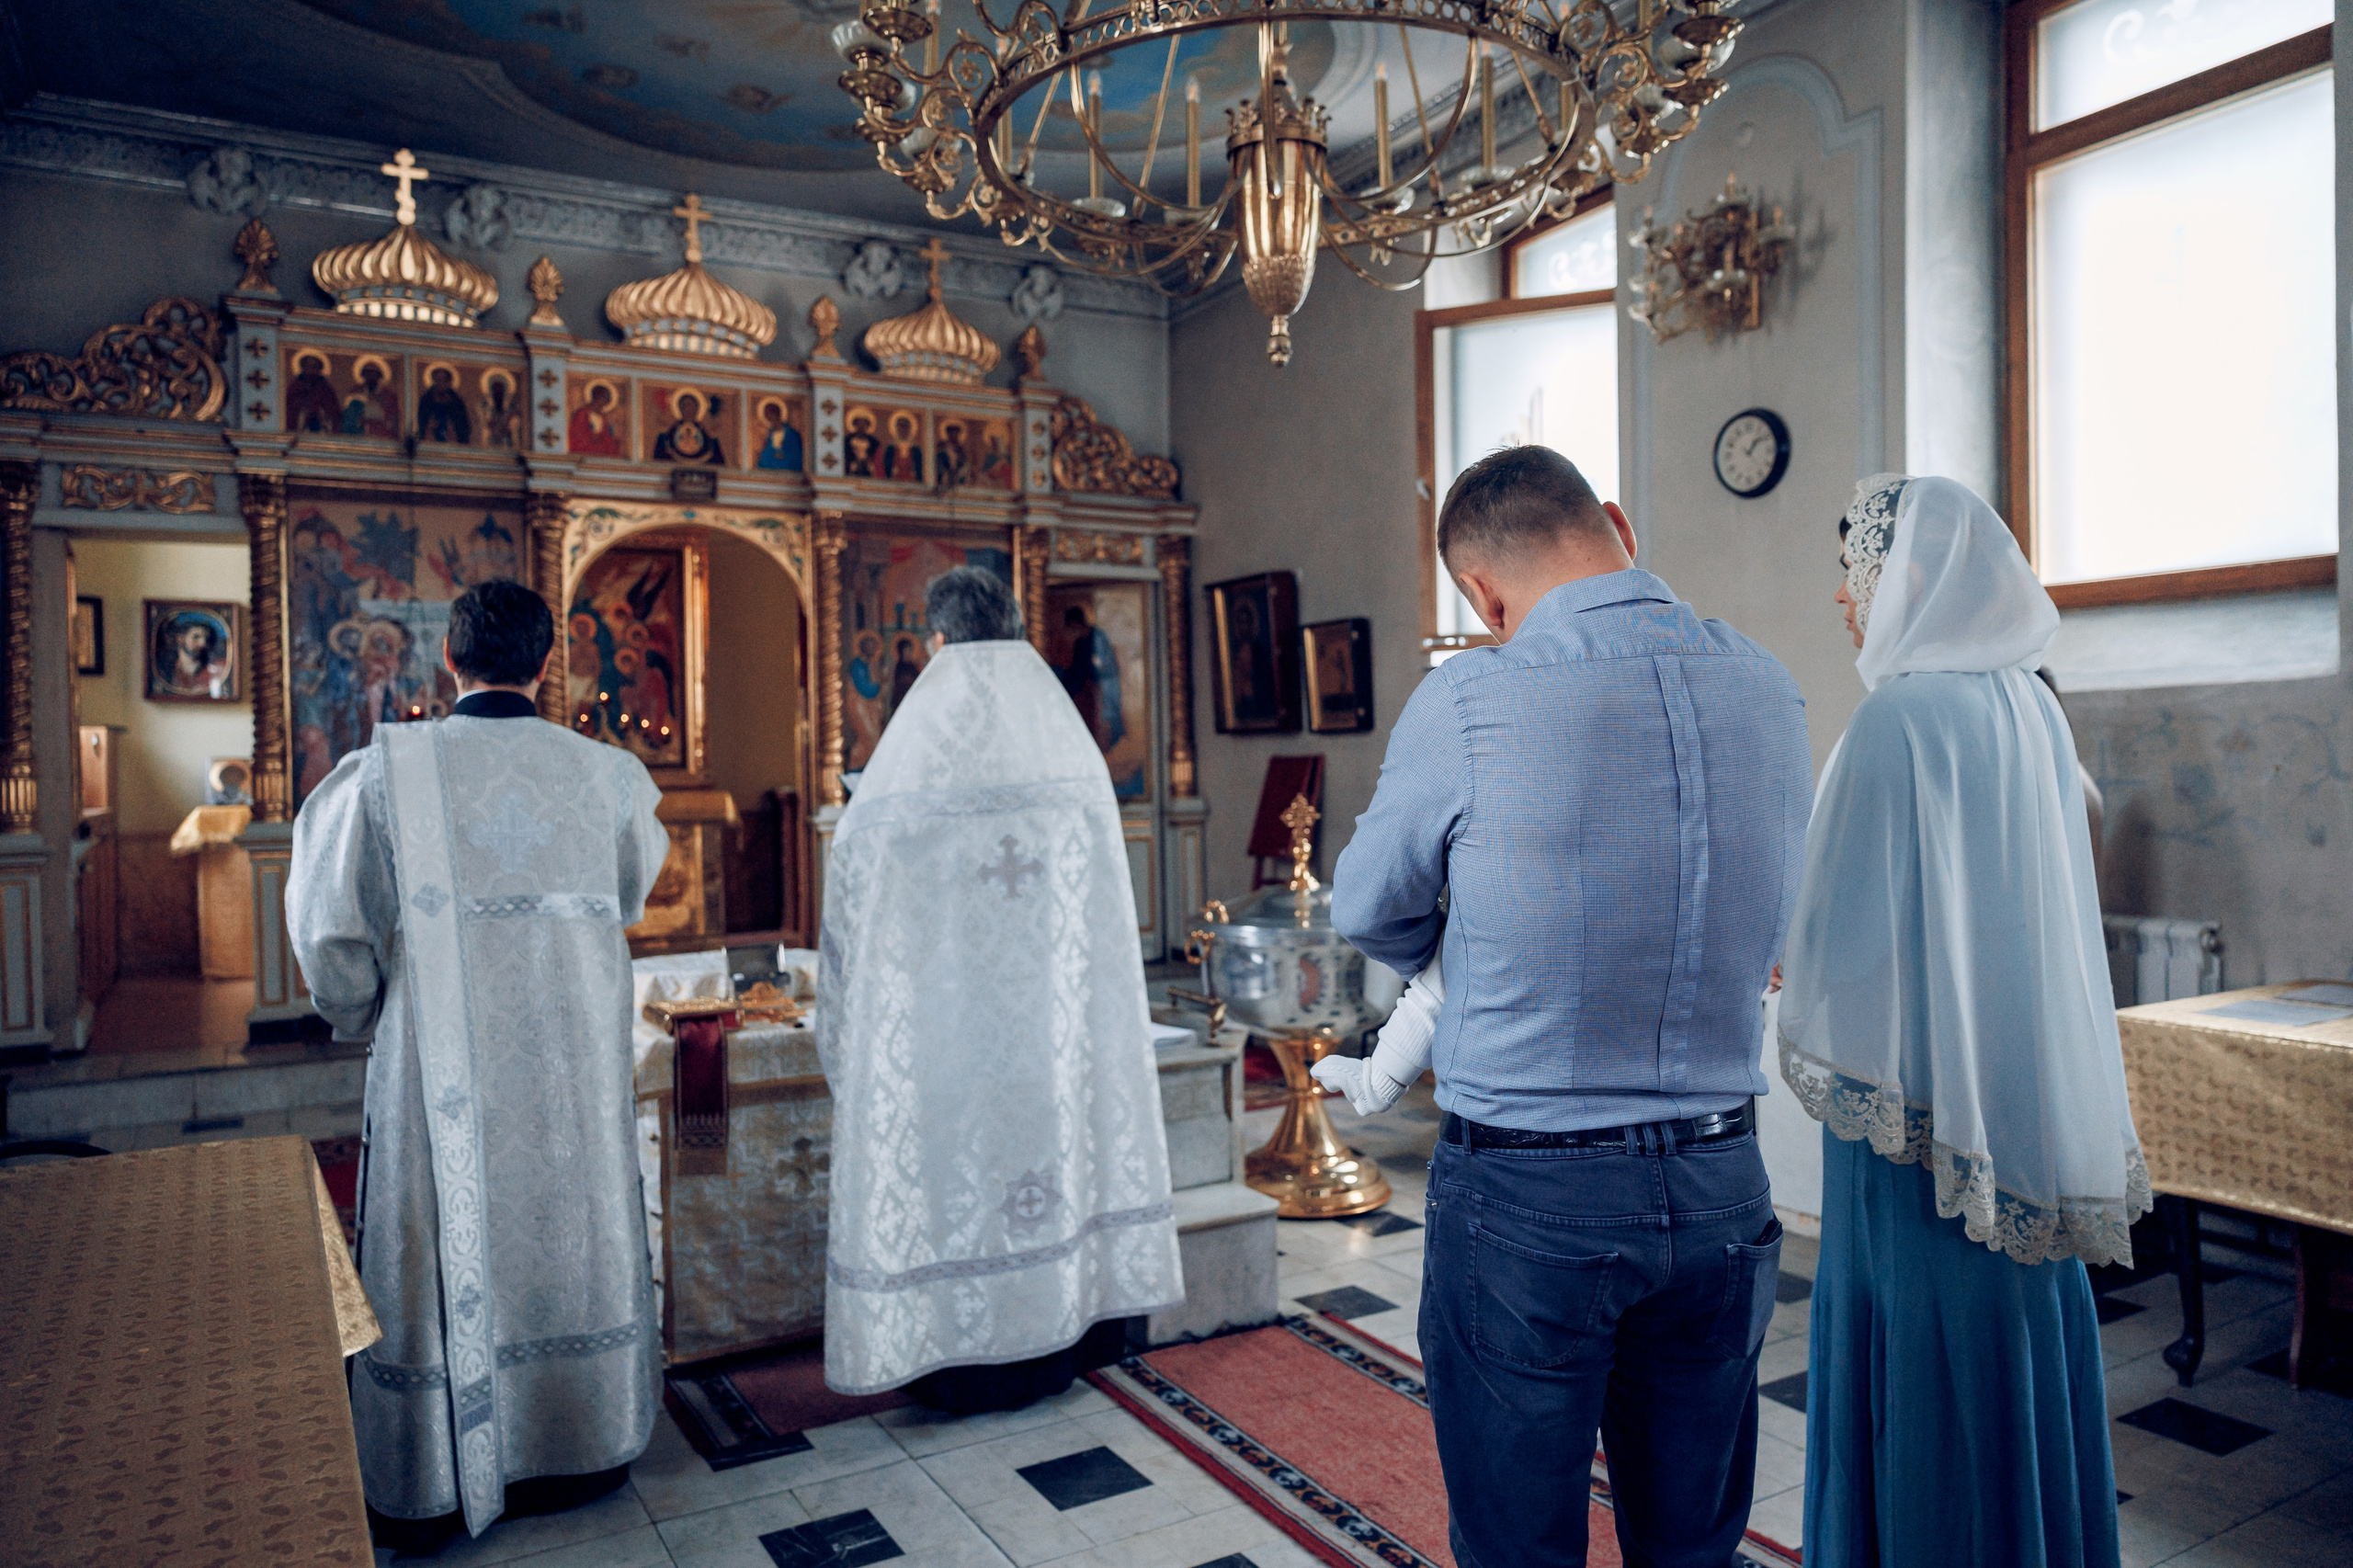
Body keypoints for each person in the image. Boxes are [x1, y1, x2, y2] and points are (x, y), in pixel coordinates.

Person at [1331, 445, 1813, 1568]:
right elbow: (1779, 919)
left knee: (1520, 1544)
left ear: (1482, 594)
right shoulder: (1767, 683)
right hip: (1722, 1176)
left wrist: (1462, 955)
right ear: (1616, 524)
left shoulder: (1471, 694)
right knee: (1691, 1544)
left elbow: (1366, 905)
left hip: (1532, 1190)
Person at [1778, 474, 2144, 1568]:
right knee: (2011, 1323)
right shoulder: (2032, 709)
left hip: (1915, 1106)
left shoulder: (1894, 719)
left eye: (1854, 569)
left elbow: (1831, 928)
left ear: (1913, 577)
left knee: (1919, 1350)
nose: (1842, 596)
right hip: (2017, 1090)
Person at [288, 578, 670, 1547]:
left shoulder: (387, 774)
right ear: (547, 662)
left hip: (435, 1075)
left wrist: (362, 1011)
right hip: (571, 1071)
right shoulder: (609, 775)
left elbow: (331, 931)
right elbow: (631, 891)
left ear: (448, 660)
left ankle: (438, 1464)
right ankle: (582, 1438)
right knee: (570, 1226)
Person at [816, 564, 1184, 1409]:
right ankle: (1063, 1333)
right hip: (1049, 1033)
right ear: (1016, 626)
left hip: (945, 1034)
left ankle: (959, 1358)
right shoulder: (1066, 743)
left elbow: (855, 896)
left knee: (959, 1174)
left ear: (938, 638)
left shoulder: (911, 756)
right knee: (1052, 1164)